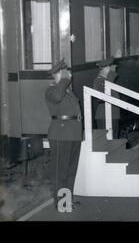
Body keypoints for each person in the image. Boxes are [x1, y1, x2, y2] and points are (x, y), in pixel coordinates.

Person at [45, 59, 82, 209]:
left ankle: (67, 200)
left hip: (73, 134)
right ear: (58, 74)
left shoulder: (68, 91)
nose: (70, 75)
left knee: (71, 171)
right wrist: (65, 80)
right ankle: (60, 202)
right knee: (61, 171)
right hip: (60, 134)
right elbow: (58, 97)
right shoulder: (51, 90)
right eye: (67, 72)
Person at [93, 57, 120, 138]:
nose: (112, 69)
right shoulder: (98, 81)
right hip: (104, 116)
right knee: (106, 143)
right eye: (109, 67)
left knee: (114, 142)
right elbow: (104, 95)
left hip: (112, 115)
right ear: (104, 68)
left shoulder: (106, 80)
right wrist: (111, 74)